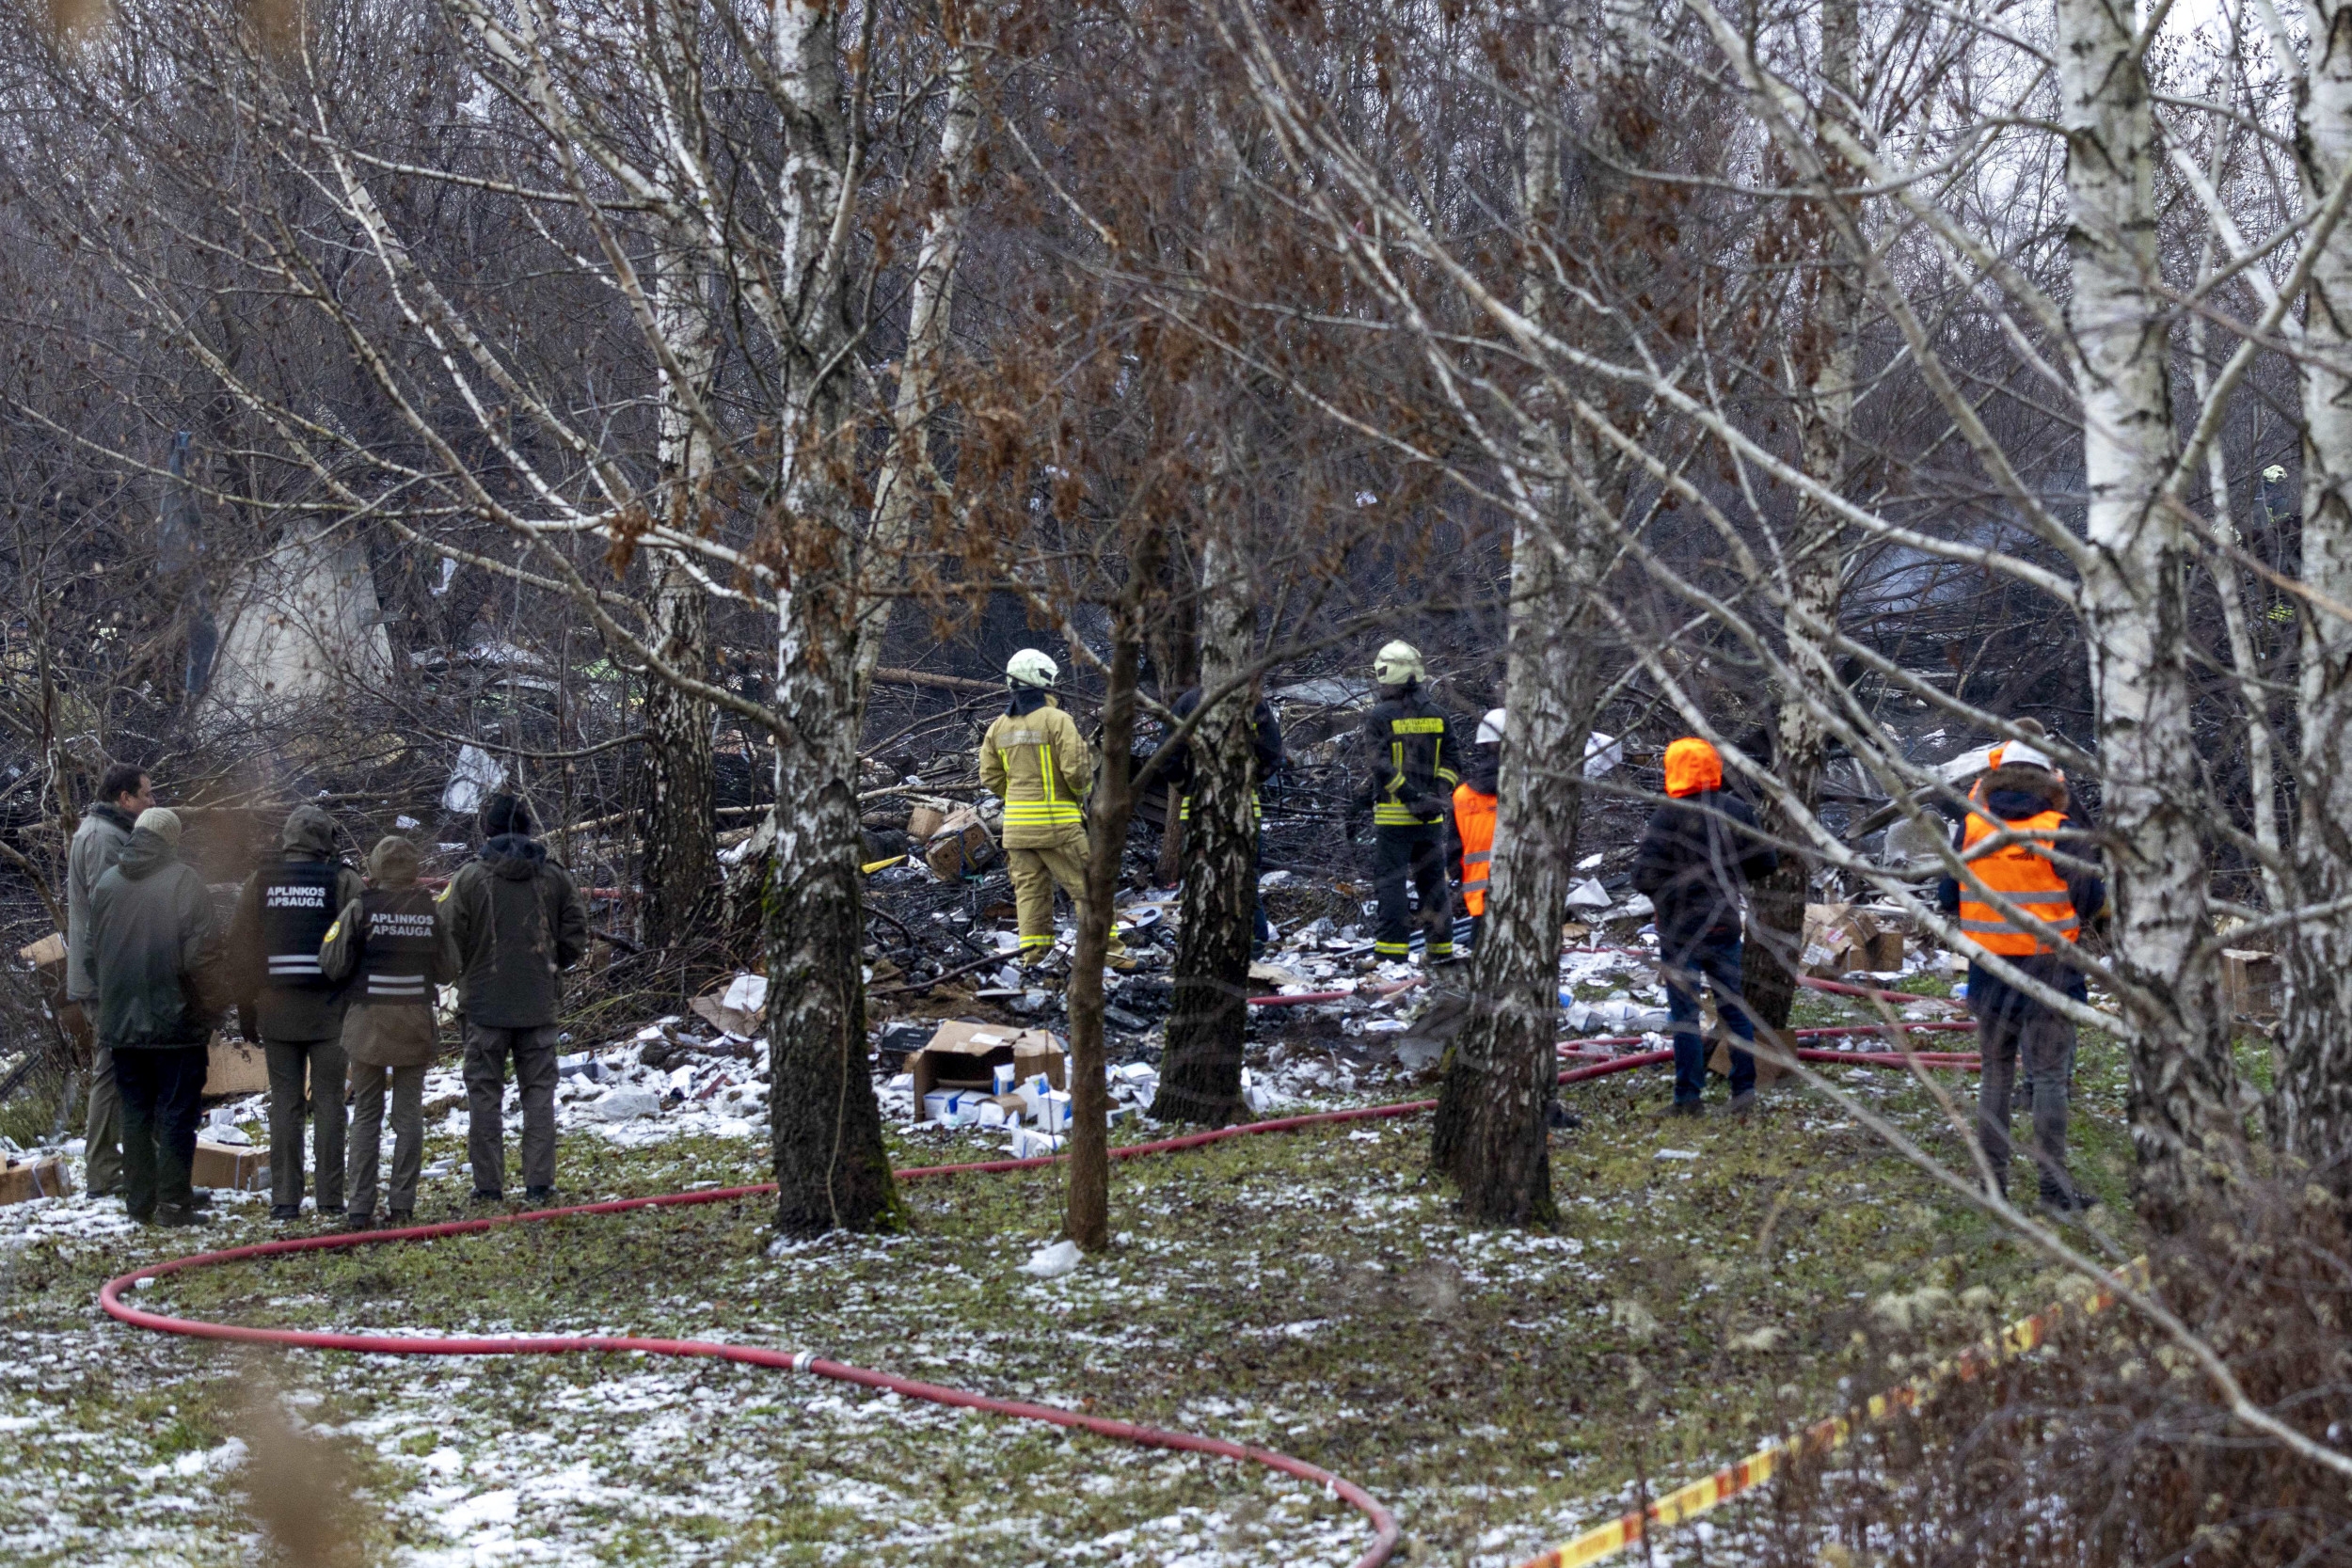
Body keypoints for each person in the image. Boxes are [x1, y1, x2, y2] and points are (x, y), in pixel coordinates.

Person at [1936, 740, 2105, 1212]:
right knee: (2049, 1080)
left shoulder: (1972, 827)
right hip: (2051, 972)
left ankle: (1994, 1189)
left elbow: (1948, 895)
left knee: (1995, 1075)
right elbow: (2090, 902)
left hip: (1989, 972)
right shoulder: (2062, 831)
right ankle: (2053, 1193)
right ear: (2049, 779)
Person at [441, 794, 588, 1204]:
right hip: (538, 1005)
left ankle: (488, 1187)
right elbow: (575, 930)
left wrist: (465, 971)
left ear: (487, 830)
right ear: (528, 829)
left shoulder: (468, 878)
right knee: (539, 1094)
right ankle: (539, 1184)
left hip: (484, 1007)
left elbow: (448, 938)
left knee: (484, 1096)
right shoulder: (554, 876)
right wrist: (552, 963)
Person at [228, 805, 366, 1223]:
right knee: (329, 1103)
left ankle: (285, 1200)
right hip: (330, 1013)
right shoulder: (343, 881)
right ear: (325, 842)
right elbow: (362, 940)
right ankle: (329, 1198)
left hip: (276, 1011)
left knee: (285, 1104)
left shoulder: (259, 882)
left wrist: (245, 1004)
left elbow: (241, 947)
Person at [87, 808, 222, 1226]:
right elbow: (203, 958)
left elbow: (93, 958)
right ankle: (175, 1204)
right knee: (179, 1112)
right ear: (171, 840)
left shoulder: (107, 884)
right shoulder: (185, 881)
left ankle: (140, 1202)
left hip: (122, 1025)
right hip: (176, 1024)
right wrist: (211, 1008)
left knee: (135, 1110)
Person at [1633, 736, 1778, 1116]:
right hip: (1725, 926)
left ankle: (1688, 1099)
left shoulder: (1666, 815)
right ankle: (1744, 1093)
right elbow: (1766, 862)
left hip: (1679, 931)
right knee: (1734, 1010)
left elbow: (1642, 877)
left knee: (1684, 1016)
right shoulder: (1736, 811)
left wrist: (1666, 895)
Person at [321, 834, 446, 1230]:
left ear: (374, 867)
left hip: (368, 1025)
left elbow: (332, 963)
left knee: (367, 1116)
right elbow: (449, 969)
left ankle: (359, 1208)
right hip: (413, 1024)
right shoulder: (430, 912)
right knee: (408, 1117)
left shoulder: (360, 909)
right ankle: (403, 1206)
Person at [978, 650, 1127, 971]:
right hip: (1057, 825)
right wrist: (1079, 795)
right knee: (1089, 889)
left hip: (1016, 830)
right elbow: (1076, 771)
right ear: (1044, 681)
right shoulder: (1057, 720)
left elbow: (989, 777)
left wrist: (1017, 797)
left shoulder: (998, 727)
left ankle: (1034, 958)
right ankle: (1112, 954)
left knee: (1030, 895)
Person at [66, 762, 152, 1199]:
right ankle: (102, 1172)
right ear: (125, 798)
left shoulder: (102, 830)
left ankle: (114, 1166)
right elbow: (109, 912)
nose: (151, 802)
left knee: (118, 1068)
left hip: (107, 974)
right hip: (107, 978)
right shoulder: (104, 838)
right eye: (146, 795)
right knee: (110, 1070)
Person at [1351, 641, 1460, 963]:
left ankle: (1390, 956)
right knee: (1433, 887)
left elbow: (1381, 766)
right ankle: (1440, 952)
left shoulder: (1380, 717)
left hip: (1394, 819)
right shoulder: (1438, 715)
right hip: (1431, 820)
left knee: (1392, 885)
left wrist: (1411, 798)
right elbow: (1453, 760)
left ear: (1389, 676)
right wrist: (1438, 796)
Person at [1168, 681, 1285, 950]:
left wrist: (1190, 787)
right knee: (1245, 880)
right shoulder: (1253, 702)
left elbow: (1169, 758)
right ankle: (1254, 945)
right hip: (1243, 811)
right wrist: (1249, 782)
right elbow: (1272, 755)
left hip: (1199, 812)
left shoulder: (1187, 703)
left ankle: (1205, 947)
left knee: (1201, 881)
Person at [1451, 709, 1503, 954]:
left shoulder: (1462, 796)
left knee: (1480, 959)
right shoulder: (1528, 792)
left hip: (1478, 896)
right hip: (1522, 894)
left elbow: (1453, 849)